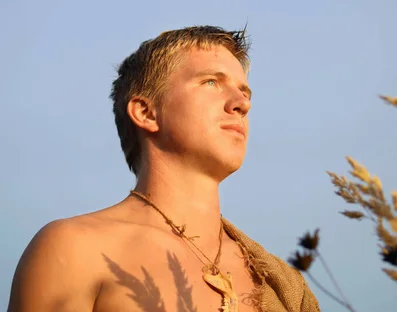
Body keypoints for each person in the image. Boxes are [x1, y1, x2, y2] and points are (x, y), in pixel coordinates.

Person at [7, 25, 320, 311]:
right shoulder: (75, 249)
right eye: (211, 82)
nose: (242, 103)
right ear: (146, 112)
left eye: (245, 92)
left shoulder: (284, 286)